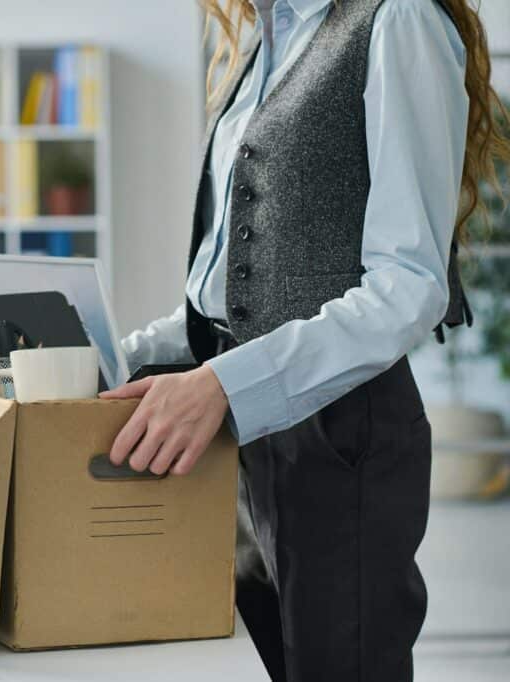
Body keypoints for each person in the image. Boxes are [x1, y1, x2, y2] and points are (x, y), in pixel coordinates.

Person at [100, 1, 509, 680]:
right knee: (252, 660)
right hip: (233, 430)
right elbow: (225, 296)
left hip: (338, 433)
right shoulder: (266, 39)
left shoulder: (398, 19)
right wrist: (92, 354)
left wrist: (227, 387)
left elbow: (410, 286)